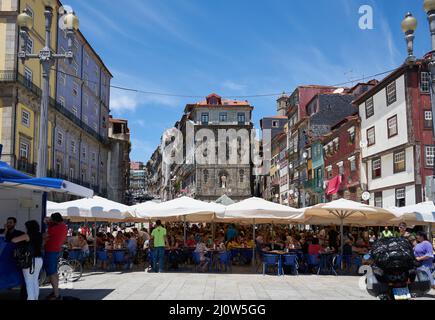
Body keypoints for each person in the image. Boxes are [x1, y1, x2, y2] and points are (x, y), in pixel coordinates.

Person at [11, 220, 43, 300]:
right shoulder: (39, 235)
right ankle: (35, 298)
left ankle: (31, 298)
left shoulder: (28, 235)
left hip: (30, 260)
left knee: (29, 282)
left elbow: (14, 240)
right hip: (39, 260)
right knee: (35, 281)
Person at [43, 213, 68, 300]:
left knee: (52, 273)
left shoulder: (55, 228)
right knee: (54, 272)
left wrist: (47, 224)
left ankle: (56, 294)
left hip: (51, 251)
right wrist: (49, 223)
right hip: (56, 250)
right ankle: (55, 291)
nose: (50, 220)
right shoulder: (64, 226)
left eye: (51, 219)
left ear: (54, 220)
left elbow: (45, 235)